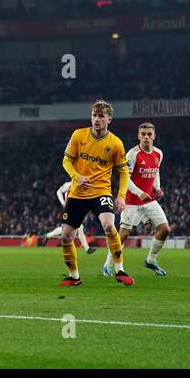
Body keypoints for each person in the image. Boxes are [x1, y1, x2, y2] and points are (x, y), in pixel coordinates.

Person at [57, 100, 134, 287]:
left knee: (109, 225)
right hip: (77, 193)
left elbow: (123, 171)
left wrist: (121, 195)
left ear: (109, 119)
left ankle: (120, 271)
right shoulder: (78, 135)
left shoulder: (115, 143)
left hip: (101, 191)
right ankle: (74, 277)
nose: (96, 119)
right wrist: (77, 176)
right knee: (66, 235)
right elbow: (66, 161)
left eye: (101, 116)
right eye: (94, 115)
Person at [111, 121, 169, 276]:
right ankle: (108, 264)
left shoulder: (159, 153)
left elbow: (155, 171)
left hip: (149, 200)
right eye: (143, 134)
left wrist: (157, 187)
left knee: (164, 229)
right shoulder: (132, 154)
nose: (146, 137)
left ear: (154, 136)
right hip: (132, 201)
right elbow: (125, 178)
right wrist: (139, 193)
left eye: (149, 134)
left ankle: (151, 260)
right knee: (123, 235)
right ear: (138, 136)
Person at [43, 180, 97, 253]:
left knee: (69, 228)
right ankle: (87, 248)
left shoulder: (83, 185)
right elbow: (58, 192)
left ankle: (48, 235)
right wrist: (63, 203)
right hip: (69, 208)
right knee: (78, 227)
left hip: (76, 209)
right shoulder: (69, 184)